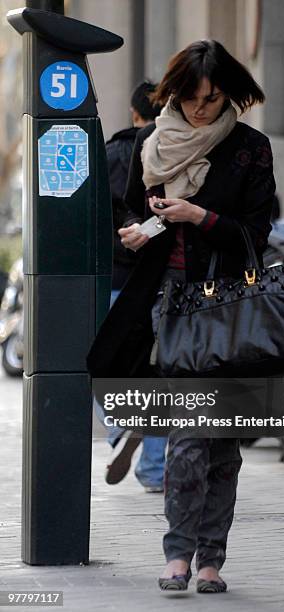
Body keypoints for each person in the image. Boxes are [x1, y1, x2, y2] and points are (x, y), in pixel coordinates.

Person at [87, 40, 276, 593]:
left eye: (212, 99)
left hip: (227, 306)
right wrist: (135, 233)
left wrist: (201, 215)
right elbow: (128, 205)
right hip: (165, 306)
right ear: (174, 94)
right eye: (191, 98)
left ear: (229, 94)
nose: (200, 109)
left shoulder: (249, 148)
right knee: (193, 433)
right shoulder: (151, 142)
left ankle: (211, 558)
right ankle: (179, 554)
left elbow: (256, 235)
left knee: (223, 438)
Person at [94, 81, 167, 492]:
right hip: (160, 279)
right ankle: (154, 471)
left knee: (103, 363)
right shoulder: (171, 151)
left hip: (114, 279)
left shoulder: (109, 152)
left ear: (133, 112)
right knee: (157, 371)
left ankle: (121, 424)